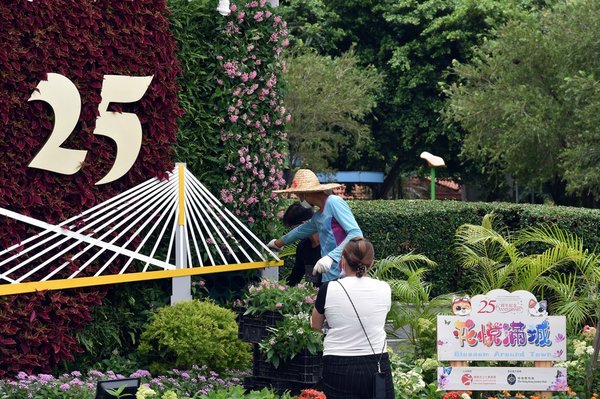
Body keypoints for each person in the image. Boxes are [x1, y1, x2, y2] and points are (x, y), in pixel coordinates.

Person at [310, 237, 394, 399]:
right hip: (376, 363)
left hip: (338, 365)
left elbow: (315, 325)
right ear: (372, 263)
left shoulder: (328, 289)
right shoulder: (384, 288)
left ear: (342, 261)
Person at [268, 169, 362, 282]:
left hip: (344, 274)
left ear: (306, 193)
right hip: (329, 276)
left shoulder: (334, 202)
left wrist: (331, 257)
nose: (299, 199)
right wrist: (278, 243)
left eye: (298, 195)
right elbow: (300, 231)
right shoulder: (318, 217)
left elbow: (356, 234)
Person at [281, 203, 322, 287]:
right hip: (316, 296)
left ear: (305, 224)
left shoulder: (330, 242)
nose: (292, 235)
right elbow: (296, 275)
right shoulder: (303, 247)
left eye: (294, 230)